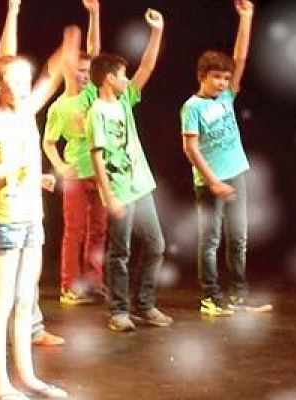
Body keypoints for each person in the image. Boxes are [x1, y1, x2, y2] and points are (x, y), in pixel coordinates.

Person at [0, 7, 78, 398]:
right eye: (14, 80)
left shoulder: (27, 113)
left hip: (32, 216)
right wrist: (9, 168)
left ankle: (28, 376)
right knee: (0, 303)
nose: (22, 86)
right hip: (5, 220)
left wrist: (65, 50)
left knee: (24, 298)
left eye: (24, 79)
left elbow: (50, 77)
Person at [182, 0, 272, 316]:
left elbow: (240, 58)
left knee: (239, 239)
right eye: (216, 77)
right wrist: (213, 182)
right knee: (210, 241)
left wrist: (246, 18)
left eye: (225, 78)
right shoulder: (192, 107)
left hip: (236, 174)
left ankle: (239, 295)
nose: (222, 83)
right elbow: (190, 149)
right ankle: (211, 297)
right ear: (202, 76)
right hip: (210, 182)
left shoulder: (227, 96)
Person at [87, 9, 170, 333]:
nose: (126, 79)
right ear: (109, 78)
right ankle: (119, 310)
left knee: (156, 245)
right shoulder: (97, 111)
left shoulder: (124, 102)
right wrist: (109, 196)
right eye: (122, 74)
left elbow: (146, 67)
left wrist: (157, 32)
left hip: (140, 184)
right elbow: (97, 156)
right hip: (119, 189)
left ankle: (144, 304)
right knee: (120, 251)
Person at [42, 0, 106, 306]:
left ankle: (94, 281)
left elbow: (95, 51)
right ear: (68, 71)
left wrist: (94, 14)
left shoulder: (93, 93)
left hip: (100, 171)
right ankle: (69, 285)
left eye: (88, 72)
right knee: (75, 231)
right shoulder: (59, 106)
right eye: (79, 70)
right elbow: (48, 142)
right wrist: (59, 166)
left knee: (99, 230)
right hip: (76, 174)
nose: (85, 75)